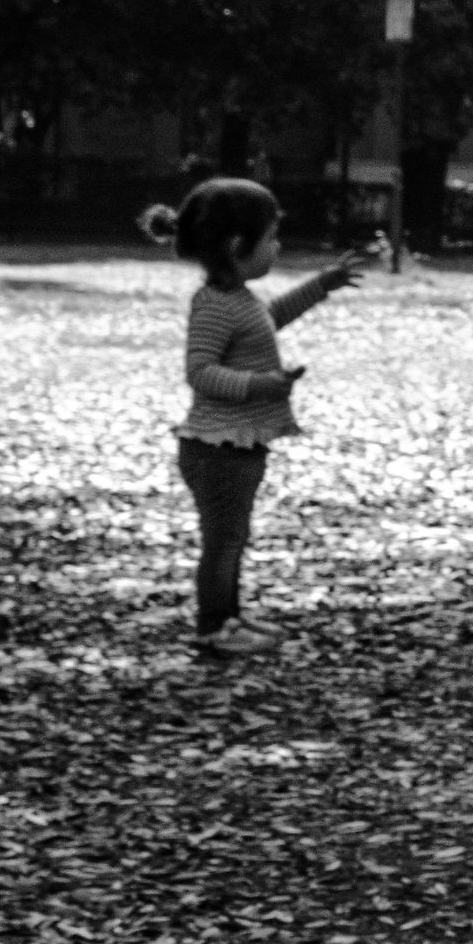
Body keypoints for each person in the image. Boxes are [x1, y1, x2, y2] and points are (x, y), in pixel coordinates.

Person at [143, 180, 363, 658]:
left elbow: (272, 317)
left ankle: (230, 616)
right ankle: (214, 625)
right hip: (216, 447)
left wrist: (320, 286)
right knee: (223, 541)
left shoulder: (239, 300)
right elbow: (199, 372)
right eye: (271, 238)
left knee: (232, 538)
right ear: (238, 246)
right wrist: (258, 385)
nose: (277, 247)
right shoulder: (215, 306)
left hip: (237, 444)